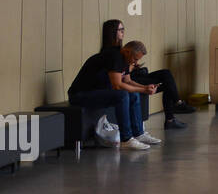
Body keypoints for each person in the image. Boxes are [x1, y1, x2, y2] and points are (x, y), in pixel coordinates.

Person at [67, 20, 161, 150]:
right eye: (135, 59)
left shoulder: (124, 58)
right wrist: (144, 90)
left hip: (96, 92)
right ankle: (126, 139)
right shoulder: (115, 56)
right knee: (122, 95)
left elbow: (127, 81)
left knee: (133, 94)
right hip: (80, 95)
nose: (136, 62)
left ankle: (139, 134)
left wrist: (144, 88)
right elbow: (117, 85)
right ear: (128, 52)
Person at [126, 43, 194, 129]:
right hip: (134, 79)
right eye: (135, 59)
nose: (136, 62)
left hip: (138, 76)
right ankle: (175, 108)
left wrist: (134, 66)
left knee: (166, 74)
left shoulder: (128, 59)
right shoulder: (122, 59)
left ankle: (174, 111)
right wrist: (144, 87)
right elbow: (127, 79)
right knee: (167, 83)